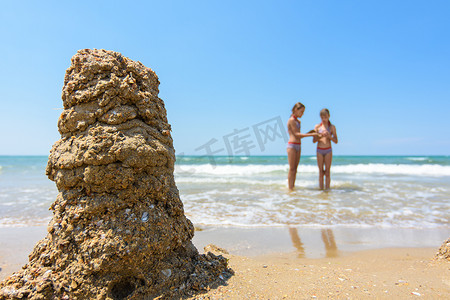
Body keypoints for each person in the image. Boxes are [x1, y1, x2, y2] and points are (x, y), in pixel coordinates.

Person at [287, 102, 318, 190]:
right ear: (296, 110)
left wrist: (310, 132)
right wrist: (311, 135)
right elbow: (296, 134)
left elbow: (300, 135)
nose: (303, 114)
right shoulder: (291, 120)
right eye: (301, 112)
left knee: (295, 169)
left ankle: (293, 187)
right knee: (292, 169)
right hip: (292, 146)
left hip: (298, 145)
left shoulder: (298, 121)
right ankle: (290, 188)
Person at [313, 108, 338, 190]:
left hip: (328, 150)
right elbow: (314, 140)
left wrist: (329, 136)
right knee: (321, 172)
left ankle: (327, 190)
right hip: (319, 150)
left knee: (327, 172)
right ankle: (321, 190)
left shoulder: (332, 127)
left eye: (325, 117)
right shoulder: (317, 127)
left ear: (329, 116)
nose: (324, 119)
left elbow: (336, 141)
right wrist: (319, 136)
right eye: (322, 117)